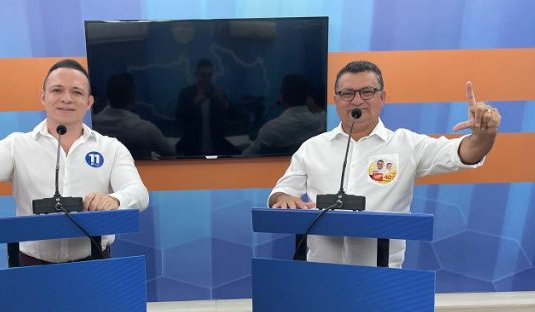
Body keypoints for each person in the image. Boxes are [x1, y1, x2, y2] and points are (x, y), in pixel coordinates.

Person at [268, 60, 500, 267]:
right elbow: (281, 192)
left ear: (382, 97)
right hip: (320, 275)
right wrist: (284, 198)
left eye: (367, 92)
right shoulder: (313, 147)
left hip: (382, 278)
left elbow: (464, 152)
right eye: (347, 93)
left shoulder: (406, 144)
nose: (357, 100)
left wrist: (484, 135)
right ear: (336, 100)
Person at [0, 59, 149, 264]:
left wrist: (115, 200)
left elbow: (139, 193)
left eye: (77, 92)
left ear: (89, 103)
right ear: (43, 97)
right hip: (32, 266)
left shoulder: (111, 148)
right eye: (57, 90)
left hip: (94, 263)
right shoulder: (17, 145)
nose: (67, 99)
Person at [93, 73, 176, 159]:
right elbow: (170, 152)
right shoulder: (145, 129)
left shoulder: (93, 126)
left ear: (108, 96)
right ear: (133, 96)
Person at [243, 74, 325, 156]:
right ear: (308, 97)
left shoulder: (270, 129)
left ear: (282, 97)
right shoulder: (321, 121)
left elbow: (247, 155)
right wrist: (314, 106)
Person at [175, 58, 239, 156]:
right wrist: (194, 104)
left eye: (209, 75)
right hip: (192, 150)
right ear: (196, 75)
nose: (206, 78)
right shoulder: (186, 94)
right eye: (203, 75)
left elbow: (235, 116)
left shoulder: (217, 94)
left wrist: (224, 103)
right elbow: (179, 117)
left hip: (217, 149)